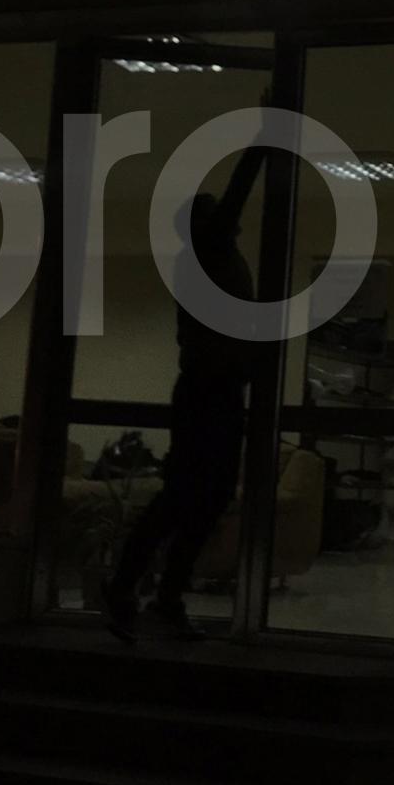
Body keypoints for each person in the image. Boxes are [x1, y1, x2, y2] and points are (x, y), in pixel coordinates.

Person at [103, 102, 270, 642]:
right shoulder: (206, 253)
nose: (223, 211)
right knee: (188, 498)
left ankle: (151, 595)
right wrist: (260, 141)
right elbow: (236, 195)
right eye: (211, 210)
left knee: (199, 498)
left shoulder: (212, 257)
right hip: (209, 391)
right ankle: (136, 592)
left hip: (214, 389)